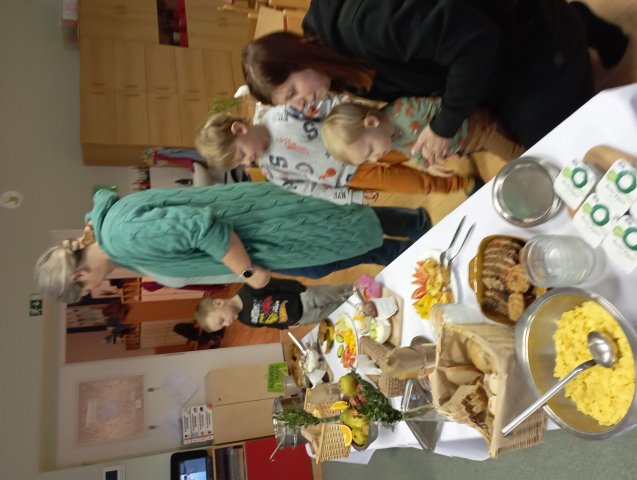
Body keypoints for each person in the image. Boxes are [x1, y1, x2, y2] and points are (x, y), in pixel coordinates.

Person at [241, 1, 628, 157]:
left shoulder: (367, 26)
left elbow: (476, 42)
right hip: (487, 53)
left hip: (518, 41)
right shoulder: (333, 70)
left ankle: (567, 28)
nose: (302, 104)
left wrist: (445, 125)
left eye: (292, 92)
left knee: (558, 143)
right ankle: (578, 24)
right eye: (289, 103)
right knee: (515, 133)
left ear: (299, 57)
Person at [34, 183, 430, 303]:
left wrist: (248, 272)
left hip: (268, 233)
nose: (96, 289)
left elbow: (202, 228)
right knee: (343, 225)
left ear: (79, 275)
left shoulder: (122, 238)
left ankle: (423, 252)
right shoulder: (110, 229)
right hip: (264, 224)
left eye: (86, 289)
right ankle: (417, 226)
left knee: (343, 239)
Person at [195, 106, 477, 206]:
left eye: (241, 154)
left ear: (239, 129)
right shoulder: (271, 170)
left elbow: (332, 106)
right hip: (354, 178)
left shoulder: (282, 114)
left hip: (366, 139)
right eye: (240, 163)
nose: (247, 162)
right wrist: (351, 197)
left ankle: (466, 141)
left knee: (419, 149)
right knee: (416, 184)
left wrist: (363, 116)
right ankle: (461, 184)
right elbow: (310, 189)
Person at [320, 98, 524, 173]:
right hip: (467, 145)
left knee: (518, 156)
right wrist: (427, 165)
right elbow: (413, 153)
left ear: (372, 122)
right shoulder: (388, 140)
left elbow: (449, 108)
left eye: (370, 150)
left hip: (481, 130)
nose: (375, 158)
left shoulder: (406, 110)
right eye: (368, 159)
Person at [195, 279, 353, 331]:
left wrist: (300, 289)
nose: (227, 324)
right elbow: (269, 323)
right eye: (222, 326)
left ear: (218, 302)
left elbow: (276, 284)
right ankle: (356, 308)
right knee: (334, 312)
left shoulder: (248, 290)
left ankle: (361, 288)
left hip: (303, 297)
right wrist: (286, 326)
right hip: (301, 317)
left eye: (222, 320)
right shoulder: (245, 320)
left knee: (337, 293)